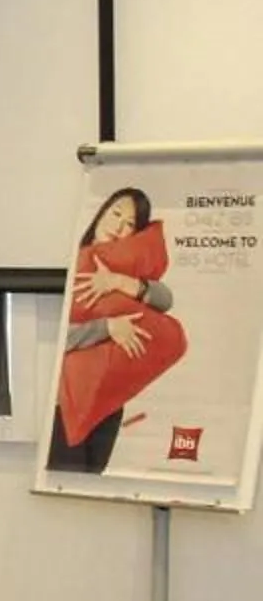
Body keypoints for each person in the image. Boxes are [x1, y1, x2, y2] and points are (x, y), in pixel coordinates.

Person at [48, 185, 183, 476]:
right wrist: (106, 327)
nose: (118, 226)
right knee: (68, 489)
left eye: (130, 224)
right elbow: (57, 336)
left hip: (107, 404)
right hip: (64, 401)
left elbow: (165, 299)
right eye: (115, 213)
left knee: (93, 485)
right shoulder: (69, 261)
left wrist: (119, 282)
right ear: (100, 213)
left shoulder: (124, 270)